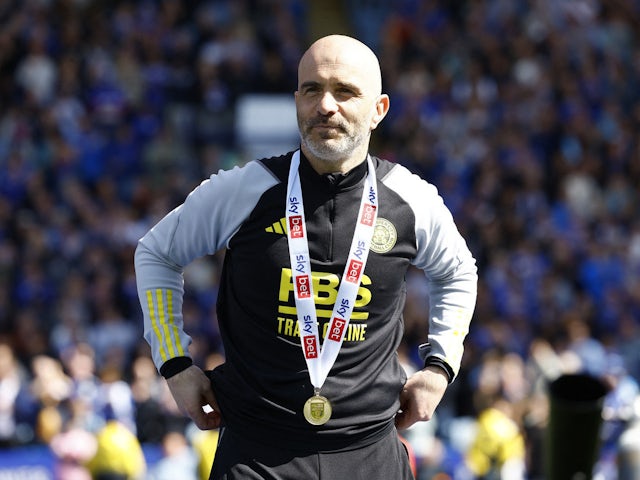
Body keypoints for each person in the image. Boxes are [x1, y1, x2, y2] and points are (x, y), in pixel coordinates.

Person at [134, 34, 477, 479]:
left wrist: (440, 366)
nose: (326, 105)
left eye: (346, 91)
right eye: (312, 89)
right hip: (256, 455)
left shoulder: (411, 199)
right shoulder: (245, 189)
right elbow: (156, 252)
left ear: (379, 109)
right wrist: (174, 363)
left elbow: (458, 271)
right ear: (297, 100)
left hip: (370, 451)